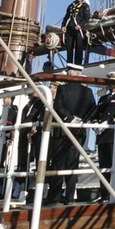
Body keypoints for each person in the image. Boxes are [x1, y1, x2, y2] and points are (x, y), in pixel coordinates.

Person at [47, 76, 97, 204]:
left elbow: (58, 106)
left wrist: (70, 119)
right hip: (79, 132)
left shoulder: (63, 89)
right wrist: (82, 121)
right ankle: (69, 196)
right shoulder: (88, 92)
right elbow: (93, 109)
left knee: (58, 163)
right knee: (72, 164)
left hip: (62, 131)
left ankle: (55, 196)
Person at [87, 75, 115, 197]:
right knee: (103, 166)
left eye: (114, 82)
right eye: (110, 82)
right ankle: (104, 193)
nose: (111, 85)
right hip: (102, 136)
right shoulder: (103, 98)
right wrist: (95, 123)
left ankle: (113, 193)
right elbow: (96, 113)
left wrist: (108, 123)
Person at [60, 0, 91, 65]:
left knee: (79, 47)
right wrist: (63, 26)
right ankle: (69, 64)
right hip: (70, 29)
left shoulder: (85, 6)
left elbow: (87, 17)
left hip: (79, 29)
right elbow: (66, 17)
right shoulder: (70, 6)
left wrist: (80, 25)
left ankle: (78, 65)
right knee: (69, 48)